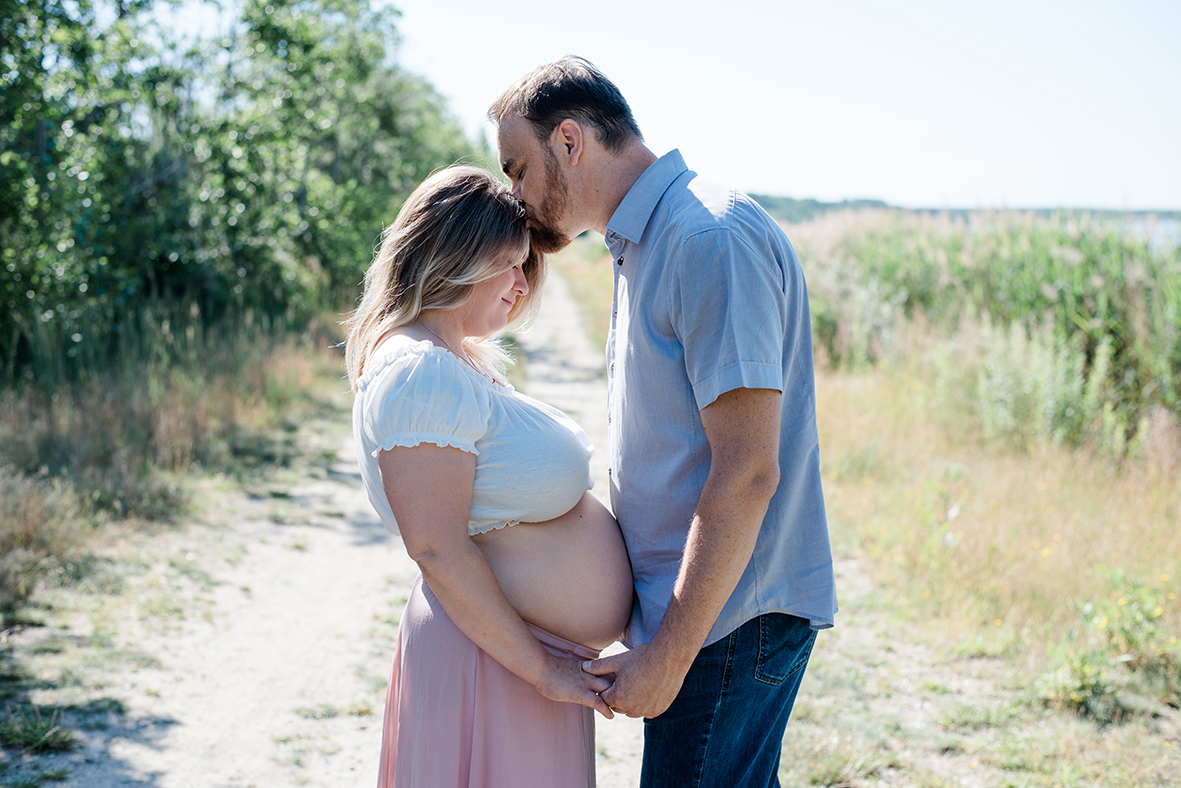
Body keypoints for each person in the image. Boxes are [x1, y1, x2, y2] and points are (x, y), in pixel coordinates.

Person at [489, 57, 839, 787]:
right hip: (704, 620)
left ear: (570, 141)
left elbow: (746, 472)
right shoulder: (646, 243)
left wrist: (670, 652)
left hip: (725, 625)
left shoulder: (705, 239)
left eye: (518, 169)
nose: (515, 196)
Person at [344, 165, 634, 788]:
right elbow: (435, 546)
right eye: (507, 263)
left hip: (510, 654)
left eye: (526, 265)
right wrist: (540, 669)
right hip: (496, 660)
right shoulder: (420, 371)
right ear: (453, 256)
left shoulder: (451, 362)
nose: (520, 284)